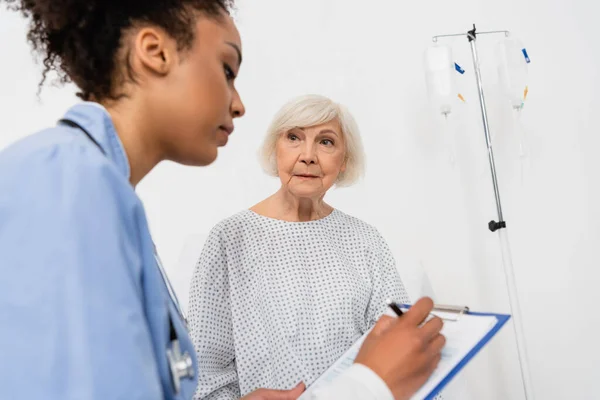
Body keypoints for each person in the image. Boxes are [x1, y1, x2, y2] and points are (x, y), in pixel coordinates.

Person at [0, 1, 445, 399]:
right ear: (155, 52)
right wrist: (367, 387)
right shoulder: (62, 181)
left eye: (326, 142)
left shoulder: (105, 194)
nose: (239, 105)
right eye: (227, 70)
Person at [189, 94, 440, 400]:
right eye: (293, 137)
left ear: (344, 160)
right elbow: (206, 373)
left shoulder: (365, 240)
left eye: (326, 142)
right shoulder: (230, 239)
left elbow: (400, 342)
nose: (308, 156)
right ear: (274, 149)